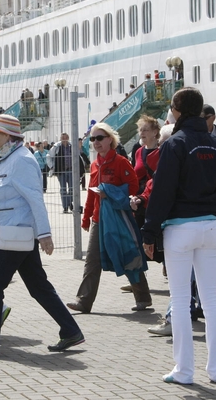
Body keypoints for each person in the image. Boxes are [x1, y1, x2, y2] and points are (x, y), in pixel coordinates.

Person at [0, 115, 84, 356]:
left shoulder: (22, 160)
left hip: (16, 235)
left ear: (7, 135)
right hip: (12, 235)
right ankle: (70, 330)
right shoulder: (8, 158)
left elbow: (35, 198)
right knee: (38, 286)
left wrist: (45, 233)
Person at [141, 87, 216, 385]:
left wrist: (150, 231)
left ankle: (184, 370)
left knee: (180, 300)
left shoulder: (175, 144)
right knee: (211, 301)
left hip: (180, 228)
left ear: (176, 111)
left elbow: (163, 192)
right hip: (211, 228)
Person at [66, 123, 152, 313]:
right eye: (92, 139)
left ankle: (143, 297)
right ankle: (84, 301)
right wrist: (86, 216)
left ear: (110, 140)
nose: (95, 142)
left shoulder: (121, 162)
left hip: (119, 218)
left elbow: (133, 186)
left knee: (128, 255)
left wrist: (111, 193)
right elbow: (91, 193)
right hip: (99, 220)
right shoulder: (95, 163)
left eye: (99, 138)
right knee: (92, 261)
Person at [46, 133, 74, 213]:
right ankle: (65, 206)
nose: (64, 139)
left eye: (66, 137)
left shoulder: (71, 145)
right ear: (60, 138)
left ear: (68, 138)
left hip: (71, 170)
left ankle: (69, 202)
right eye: (63, 137)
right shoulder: (56, 147)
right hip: (61, 171)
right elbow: (48, 156)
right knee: (63, 189)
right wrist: (51, 166)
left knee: (72, 188)